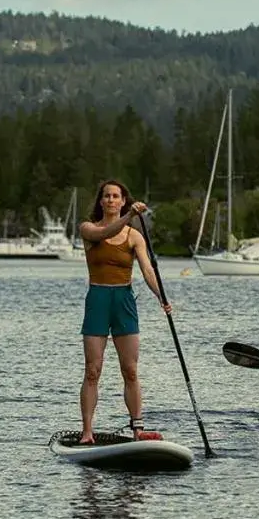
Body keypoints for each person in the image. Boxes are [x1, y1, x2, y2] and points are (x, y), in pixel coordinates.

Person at [77, 178, 173, 444]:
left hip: (124, 301)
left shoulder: (134, 236)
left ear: (122, 200)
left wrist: (161, 297)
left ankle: (137, 430)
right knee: (92, 370)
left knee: (130, 371)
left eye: (115, 196)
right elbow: (104, 235)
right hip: (98, 300)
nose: (110, 200)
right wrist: (130, 215)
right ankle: (87, 432)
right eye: (106, 196)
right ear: (101, 201)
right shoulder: (88, 229)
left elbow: (147, 270)